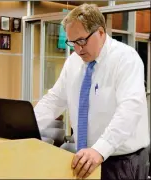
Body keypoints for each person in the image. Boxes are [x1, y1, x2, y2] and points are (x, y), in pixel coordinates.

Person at [34, 3, 150, 180]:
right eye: (72, 42)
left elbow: (130, 109)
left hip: (122, 161)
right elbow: (54, 100)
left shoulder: (126, 58)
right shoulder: (73, 62)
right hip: (87, 158)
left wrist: (100, 149)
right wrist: (27, 128)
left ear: (101, 33)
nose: (77, 49)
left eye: (82, 40)